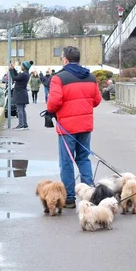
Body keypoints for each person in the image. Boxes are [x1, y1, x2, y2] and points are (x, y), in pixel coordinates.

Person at [47, 46, 101, 208]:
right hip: (85, 125)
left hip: (67, 127)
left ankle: (69, 197)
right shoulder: (90, 77)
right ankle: (89, 193)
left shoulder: (59, 78)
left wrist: (50, 110)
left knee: (66, 161)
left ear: (65, 60)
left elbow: (54, 102)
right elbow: (97, 100)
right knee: (83, 158)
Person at [10, 61, 32, 130]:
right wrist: (13, 69)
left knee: (20, 110)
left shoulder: (23, 74)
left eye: (22, 65)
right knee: (22, 109)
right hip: (23, 93)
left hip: (20, 93)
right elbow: (17, 76)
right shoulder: (26, 74)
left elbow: (14, 78)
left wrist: (10, 70)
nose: (21, 66)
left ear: (24, 67)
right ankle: (25, 124)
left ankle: (21, 125)